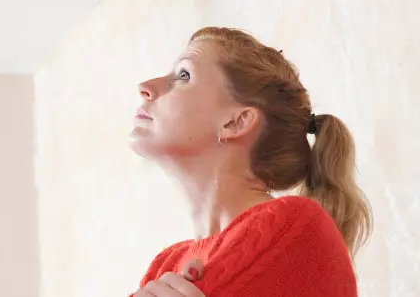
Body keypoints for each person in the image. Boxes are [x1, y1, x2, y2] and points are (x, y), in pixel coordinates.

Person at [129, 27, 372, 297]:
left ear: (236, 121)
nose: (145, 87)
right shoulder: (165, 265)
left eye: (184, 75)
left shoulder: (292, 227)